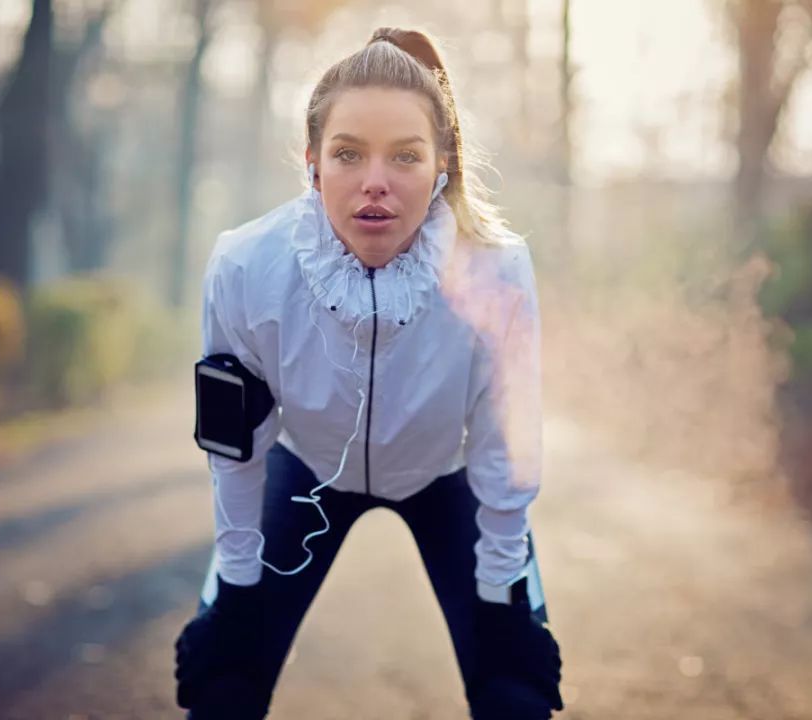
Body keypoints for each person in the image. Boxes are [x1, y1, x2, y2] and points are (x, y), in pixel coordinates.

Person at [173, 26, 564, 720]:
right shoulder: (244, 266)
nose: (374, 182)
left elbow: (510, 440)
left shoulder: (497, 269)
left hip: (448, 476)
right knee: (221, 682)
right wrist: (236, 585)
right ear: (312, 163)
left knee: (517, 687)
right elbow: (235, 446)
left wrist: (503, 593)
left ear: (441, 164)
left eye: (405, 156)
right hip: (305, 470)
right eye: (348, 154)